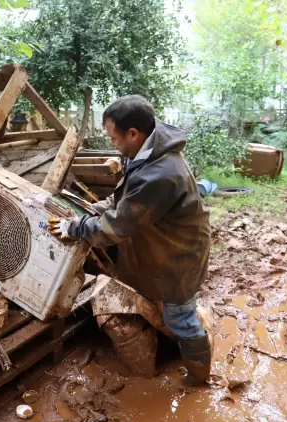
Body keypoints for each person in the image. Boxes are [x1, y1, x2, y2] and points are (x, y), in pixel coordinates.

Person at [49, 95, 213, 382]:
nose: (112, 143)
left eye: (114, 137)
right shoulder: (149, 149)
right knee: (167, 306)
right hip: (166, 243)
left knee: (181, 319)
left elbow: (116, 228)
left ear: (134, 134)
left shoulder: (159, 174)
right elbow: (123, 198)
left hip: (180, 255)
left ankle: (199, 377)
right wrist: (95, 209)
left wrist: (75, 228)